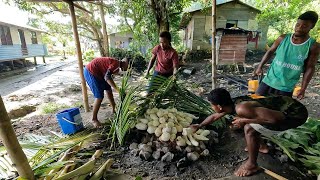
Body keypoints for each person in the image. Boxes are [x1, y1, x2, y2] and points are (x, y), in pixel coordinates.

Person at [190, 88, 308, 177]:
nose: (212, 107)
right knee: (239, 124)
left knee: (249, 129)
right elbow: (215, 116)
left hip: (295, 114)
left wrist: (245, 120)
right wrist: (199, 125)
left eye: (212, 105)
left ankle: (252, 165)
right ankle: (262, 146)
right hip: (284, 108)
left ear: (219, 106)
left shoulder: (242, 108)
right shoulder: (230, 104)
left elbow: (275, 119)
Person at [254, 11, 319, 99]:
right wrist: (260, 66)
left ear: (312, 26)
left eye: (304, 26)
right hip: (268, 80)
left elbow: (310, 67)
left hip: (286, 87)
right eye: (297, 25)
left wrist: (303, 88)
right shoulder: (283, 38)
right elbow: (270, 51)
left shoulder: (313, 46)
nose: (299, 28)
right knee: (257, 102)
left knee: (277, 110)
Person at [84, 57, 129, 128]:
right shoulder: (116, 64)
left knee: (109, 90)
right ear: (125, 63)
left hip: (99, 73)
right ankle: (94, 119)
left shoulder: (116, 65)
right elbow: (107, 77)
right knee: (99, 96)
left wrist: (117, 89)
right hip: (91, 72)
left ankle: (114, 108)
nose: (128, 68)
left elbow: (108, 77)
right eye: (128, 66)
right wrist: (118, 90)